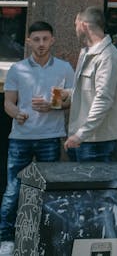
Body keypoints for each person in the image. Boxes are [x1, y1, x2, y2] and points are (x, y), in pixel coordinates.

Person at [0, 22, 75, 253]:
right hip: (20, 137)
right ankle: (5, 238)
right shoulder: (17, 69)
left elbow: (71, 101)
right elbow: (8, 103)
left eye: (45, 39)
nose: (41, 44)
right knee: (13, 189)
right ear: (28, 41)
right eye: (36, 39)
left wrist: (52, 106)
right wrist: (17, 114)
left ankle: (45, 235)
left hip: (51, 137)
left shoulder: (64, 68)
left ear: (52, 40)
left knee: (48, 189)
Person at [64, 7, 117, 162]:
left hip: (96, 141)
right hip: (83, 137)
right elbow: (89, 91)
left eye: (75, 24)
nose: (75, 29)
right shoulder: (87, 52)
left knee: (91, 186)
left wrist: (80, 135)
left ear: (84, 25)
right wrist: (68, 93)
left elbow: (103, 99)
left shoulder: (108, 56)